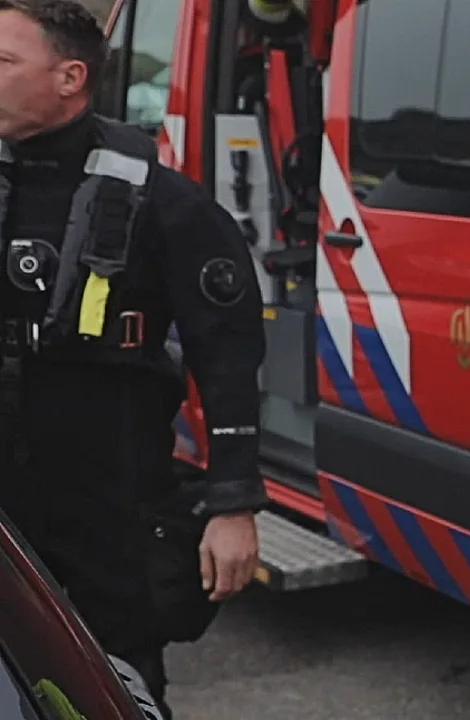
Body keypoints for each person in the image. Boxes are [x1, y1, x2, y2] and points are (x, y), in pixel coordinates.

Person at [0, 1, 268, 716]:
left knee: (114, 687)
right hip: (7, 512)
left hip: (108, 514)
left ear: (70, 77)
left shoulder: (164, 204)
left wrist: (234, 504)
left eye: (2, 63)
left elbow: (229, 352)